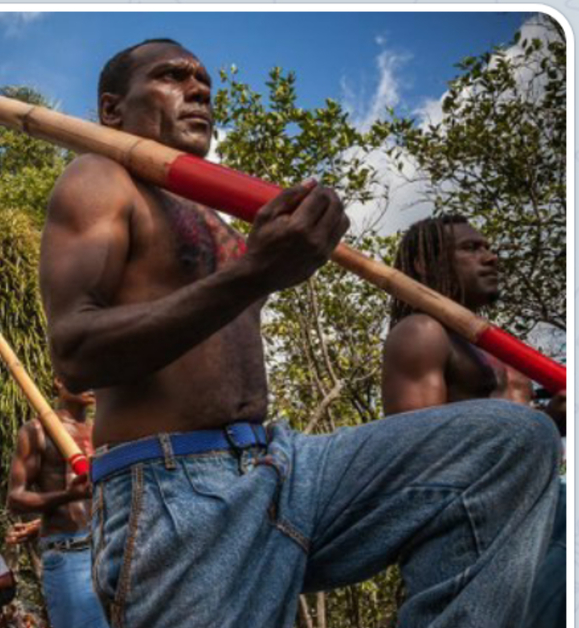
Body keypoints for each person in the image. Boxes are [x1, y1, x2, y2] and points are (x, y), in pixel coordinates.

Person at [38, 37, 560, 627]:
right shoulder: (100, 180)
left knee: (508, 441)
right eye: (172, 77)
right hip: (172, 490)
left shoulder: (222, 222)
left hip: (281, 464)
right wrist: (257, 271)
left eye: (205, 83)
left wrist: (269, 258)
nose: (199, 91)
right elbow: (76, 351)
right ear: (113, 109)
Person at [383, 215, 566, 628]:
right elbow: (418, 460)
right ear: (425, 265)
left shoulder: (507, 354)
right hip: (475, 527)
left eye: (488, 247)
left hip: (536, 506)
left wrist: (550, 420)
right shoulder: (422, 333)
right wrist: (544, 424)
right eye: (470, 249)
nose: (491, 257)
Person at [6, 379, 106, 628]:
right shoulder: (37, 431)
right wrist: (67, 496)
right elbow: (15, 499)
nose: (90, 381)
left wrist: (37, 524)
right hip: (69, 554)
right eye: (81, 374)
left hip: (109, 547)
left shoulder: (101, 430)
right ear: (59, 380)